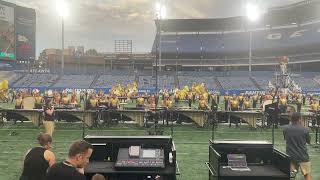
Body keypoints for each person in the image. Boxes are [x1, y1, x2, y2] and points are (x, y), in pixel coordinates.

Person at [283, 113, 311, 180]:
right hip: (303, 156)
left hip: (291, 155)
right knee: (307, 174)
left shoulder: (286, 129)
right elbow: (308, 141)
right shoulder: (306, 129)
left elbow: (285, 139)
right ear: (299, 119)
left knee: (291, 176)